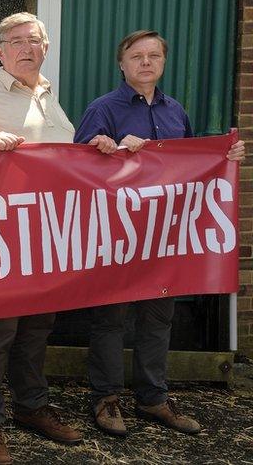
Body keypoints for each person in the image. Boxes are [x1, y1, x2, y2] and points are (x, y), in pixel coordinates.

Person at [73, 30, 245, 438]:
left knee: (158, 318)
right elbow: (74, 166)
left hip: (164, 236)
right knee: (110, 318)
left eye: (154, 55)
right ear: (122, 63)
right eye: (137, 56)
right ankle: (106, 398)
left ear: (163, 62)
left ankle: (153, 398)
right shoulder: (103, 108)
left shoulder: (175, 111)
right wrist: (110, 146)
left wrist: (225, 156)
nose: (145, 62)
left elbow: (190, 167)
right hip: (116, 235)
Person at [0, 12, 83, 465]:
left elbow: (64, 159)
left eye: (35, 40)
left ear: (46, 47)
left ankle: (32, 407)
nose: (27, 48)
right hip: (0, 236)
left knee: (38, 327)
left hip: (46, 235)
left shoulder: (48, 95)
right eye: (17, 41)